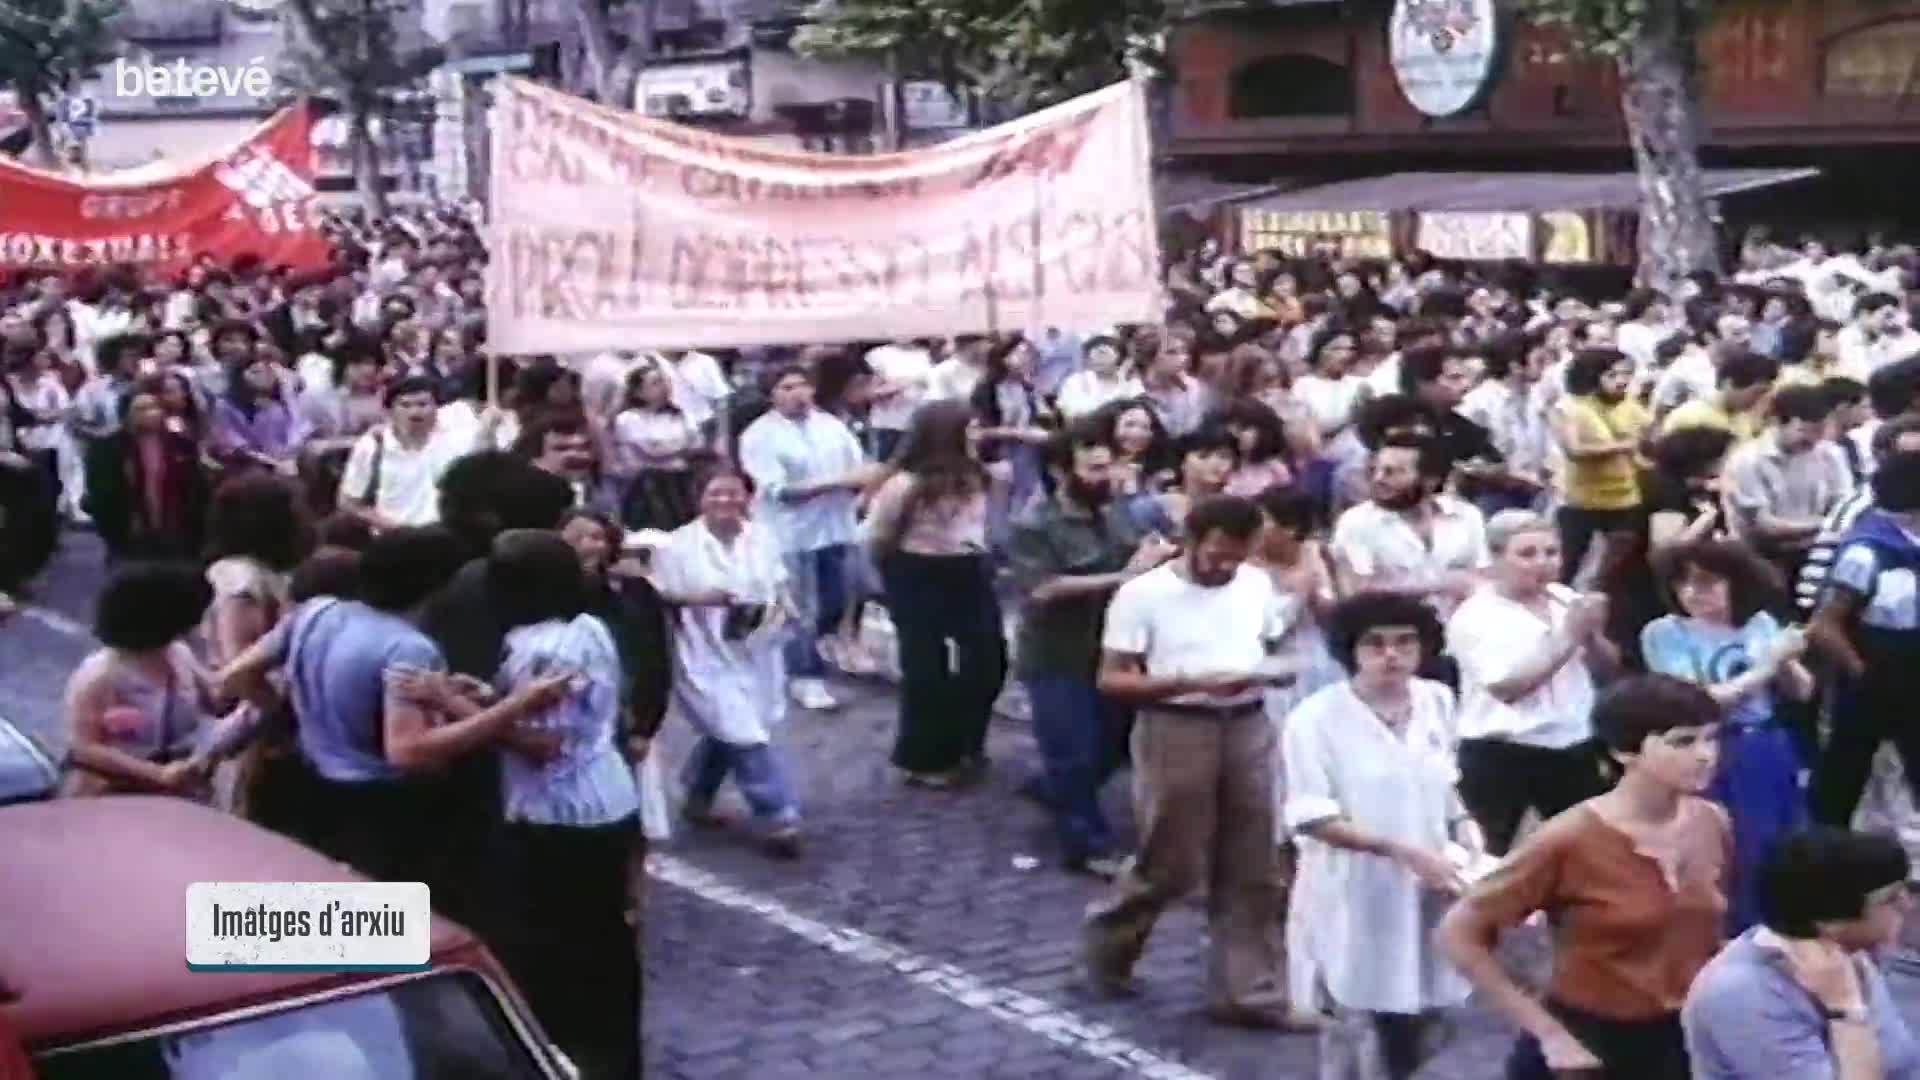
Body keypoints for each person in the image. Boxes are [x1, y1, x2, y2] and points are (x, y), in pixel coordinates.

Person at [215, 527, 576, 883]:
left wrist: (284, 709)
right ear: (436, 586)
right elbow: (408, 750)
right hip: (382, 810)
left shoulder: (318, 612)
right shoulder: (407, 646)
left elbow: (236, 675)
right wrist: (512, 708)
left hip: (315, 788)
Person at [1083, 495, 1309, 1030]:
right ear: (1190, 542)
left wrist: (1270, 669)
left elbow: (1263, 638)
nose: (1224, 568)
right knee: (1173, 860)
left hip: (1248, 721)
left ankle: (1249, 992)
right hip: (1176, 724)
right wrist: (1190, 683)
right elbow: (1112, 678)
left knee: (1254, 860)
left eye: (1236, 557)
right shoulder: (1144, 594)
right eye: (1214, 557)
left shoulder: (1254, 584)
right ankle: (1109, 946)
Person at [1437, 675, 1732, 1080]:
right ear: (1624, 751)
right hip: (1592, 1042)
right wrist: (1547, 1032)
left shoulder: (1710, 821)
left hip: (1684, 1038)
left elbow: (1705, 928)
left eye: (1711, 739)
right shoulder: (1569, 838)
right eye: (1682, 742)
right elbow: (1458, 934)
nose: (1705, 755)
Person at [451, 531, 642, 1080]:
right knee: (608, 949)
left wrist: (457, 706)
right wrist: (491, 698)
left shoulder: (540, 647)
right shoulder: (590, 628)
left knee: (560, 957)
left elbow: (542, 744)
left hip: (559, 814)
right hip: (605, 799)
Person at [1284, 592, 1479, 1077]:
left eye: (1405, 642)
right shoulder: (1315, 720)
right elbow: (1313, 816)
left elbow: (1445, 785)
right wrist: (1401, 851)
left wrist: (1467, 833)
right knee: (1356, 1021)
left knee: (1431, 1014)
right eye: (1376, 644)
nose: (1391, 655)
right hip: (1354, 890)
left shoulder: (1437, 701)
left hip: (1430, 887)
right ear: (1352, 650)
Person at [1007, 421, 1175, 876]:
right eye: (1094, 469)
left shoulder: (1119, 510)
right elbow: (1041, 589)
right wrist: (1123, 577)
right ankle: (1088, 844)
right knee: (1074, 748)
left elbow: (1138, 551)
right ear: (1062, 472)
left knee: (1115, 743)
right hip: (1058, 656)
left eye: (1109, 467)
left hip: (1114, 648)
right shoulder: (1034, 525)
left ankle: (1054, 789)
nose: (1105, 477)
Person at [1642, 540, 1813, 933]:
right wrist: (1768, 664)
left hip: (1766, 743)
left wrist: (1788, 660)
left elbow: (1801, 691)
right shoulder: (1664, 633)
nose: (1691, 593)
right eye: (1682, 582)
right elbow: (1699, 702)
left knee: (1778, 841)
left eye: (1706, 583)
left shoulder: (1758, 624)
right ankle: (1730, 932)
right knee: (1725, 846)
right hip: (1710, 745)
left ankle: (1778, 925)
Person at [1445, 511, 1618, 857]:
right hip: (1502, 753)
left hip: (1573, 746)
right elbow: (1509, 688)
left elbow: (1608, 668)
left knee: (1590, 855)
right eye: (1527, 554)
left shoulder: (1565, 598)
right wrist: (1570, 635)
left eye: (1551, 553)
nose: (1542, 563)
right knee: (1493, 860)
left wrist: (1594, 635)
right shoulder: (1476, 615)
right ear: (1496, 559)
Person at [1682, 828, 1920, 1079]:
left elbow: (1903, 1064)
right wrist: (1846, 1010)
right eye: (1891, 898)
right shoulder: (1742, 993)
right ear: (1830, 921)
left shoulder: (1852, 953)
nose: (1907, 904)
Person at [653, 465, 805, 856]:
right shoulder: (675, 546)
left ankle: (697, 794)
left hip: (756, 648)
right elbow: (658, 596)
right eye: (715, 494)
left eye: (734, 493)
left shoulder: (761, 538)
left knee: (738, 727)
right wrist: (699, 597)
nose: (726, 501)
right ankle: (777, 814)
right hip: (703, 653)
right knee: (744, 733)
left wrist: (788, 608)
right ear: (699, 499)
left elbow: (779, 581)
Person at [863, 400, 1010, 787]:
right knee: (927, 667)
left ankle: (967, 741)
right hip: (917, 571)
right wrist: (892, 578)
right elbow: (878, 535)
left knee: (988, 659)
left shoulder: (980, 477)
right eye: (970, 429)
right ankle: (925, 757)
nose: (978, 436)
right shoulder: (904, 485)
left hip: (968, 570)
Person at [736, 365, 873, 712]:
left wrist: (855, 486)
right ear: (772, 395)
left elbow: (861, 468)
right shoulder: (758, 436)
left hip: (836, 527)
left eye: (802, 385)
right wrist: (837, 483)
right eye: (787, 387)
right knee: (799, 610)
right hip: (788, 534)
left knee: (838, 599)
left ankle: (821, 648)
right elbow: (781, 491)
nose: (798, 393)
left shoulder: (832, 426)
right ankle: (803, 677)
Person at [1808, 451, 1920, 826]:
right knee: (1845, 770)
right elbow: (1824, 625)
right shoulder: (1868, 550)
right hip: (1876, 668)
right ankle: (1824, 853)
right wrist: (1863, 673)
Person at [60, 561, 218, 798]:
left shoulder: (179, 655)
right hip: (114, 796)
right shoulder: (100, 674)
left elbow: (216, 697)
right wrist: (156, 774)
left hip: (179, 791)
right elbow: (84, 748)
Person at [1329, 432, 1490, 618]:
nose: (1378, 479)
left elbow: (1483, 577)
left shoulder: (1467, 516)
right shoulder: (1356, 522)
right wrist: (1440, 584)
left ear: (1430, 480)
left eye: (1392, 472)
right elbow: (1357, 591)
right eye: (1375, 470)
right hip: (1392, 628)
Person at [1721, 384, 1855, 580]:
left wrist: (1826, 527)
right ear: (1778, 422)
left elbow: (1844, 506)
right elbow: (1767, 527)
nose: (1813, 440)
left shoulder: (1830, 453)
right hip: (1765, 557)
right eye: (1805, 431)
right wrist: (1826, 524)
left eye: (1820, 431)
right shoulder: (1747, 461)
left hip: (1821, 550)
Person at [81, 375, 211, 563]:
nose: (150, 413)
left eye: (155, 407)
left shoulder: (182, 445)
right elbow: (101, 495)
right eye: (142, 409)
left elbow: (195, 492)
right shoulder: (106, 448)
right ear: (127, 413)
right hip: (128, 536)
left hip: (176, 537)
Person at [337, 375, 493, 531]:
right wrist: (388, 525)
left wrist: (490, 422)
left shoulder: (457, 438)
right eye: (405, 405)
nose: (414, 412)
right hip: (394, 539)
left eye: (422, 404)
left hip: (446, 537)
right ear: (390, 411)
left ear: (436, 408)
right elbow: (348, 502)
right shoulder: (373, 446)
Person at [1555, 347, 1652, 582]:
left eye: (1626, 374)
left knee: (1620, 568)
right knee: (1569, 565)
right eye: (1612, 376)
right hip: (1582, 501)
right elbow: (1574, 450)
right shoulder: (1571, 407)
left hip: (1624, 498)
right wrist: (1622, 447)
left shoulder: (1629, 404)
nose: (1622, 381)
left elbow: (1647, 435)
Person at [609, 360, 701, 533]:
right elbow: (651, 452)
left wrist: (669, 448)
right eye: (655, 383)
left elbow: (695, 445)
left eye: (664, 381)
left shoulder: (681, 416)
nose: (663, 387)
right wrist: (678, 447)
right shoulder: (628, 419)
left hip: (680, 481)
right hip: (645, 485)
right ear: (638, 392)